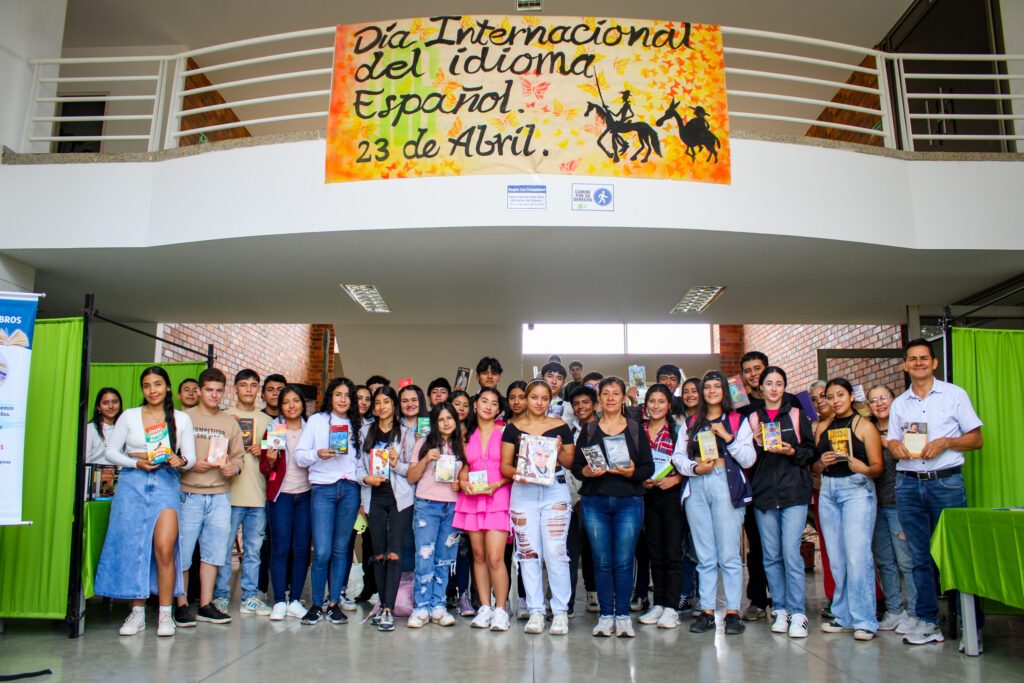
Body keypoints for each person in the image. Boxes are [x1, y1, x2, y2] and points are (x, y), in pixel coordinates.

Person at [886, 339, 983, 647]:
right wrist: (894, 446)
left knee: (956, 553)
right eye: (912, 359)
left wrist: (945, 442)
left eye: (924, 358)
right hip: (908, 483)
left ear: (934, 363)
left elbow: (976, 439)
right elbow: (890, 440)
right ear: (905, 365)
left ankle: (970, 623)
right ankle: (928, 621)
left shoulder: (955, 395)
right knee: (919, 556)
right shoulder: (900, 403)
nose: (918, 363)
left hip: (946, 483)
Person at [95, 366, 196, 637]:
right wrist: (136, 462)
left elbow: (191, 458)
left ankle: (165, 614)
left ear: (167, 387)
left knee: (164, 548)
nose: (152, 390)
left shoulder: (181, 419)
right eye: (147, 385)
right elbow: (110, 452)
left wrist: (181, 460)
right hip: (132, 483)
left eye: (158, 384)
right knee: (135, 547)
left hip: (165, 483)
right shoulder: (128, 416)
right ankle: (137, 613)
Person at [671, 370, 755, 636]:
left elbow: (749, 459)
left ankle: (732, 612)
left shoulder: (737, 420)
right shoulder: (692, 422)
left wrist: (727, 437)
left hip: (725, 484)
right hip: (697, 485)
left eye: (717, 386)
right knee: (705, 554)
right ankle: (706, 610)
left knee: (729, 554)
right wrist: (695, 468)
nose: (711, 391)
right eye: (707, 387)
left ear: (725, 392)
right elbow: (678, 457)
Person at [573, 376, 654, 638]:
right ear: (600, 399)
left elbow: (647, 468)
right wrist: (586, 470)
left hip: (628, 501)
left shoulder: (634, 428)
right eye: (605, 393)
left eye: (615, 393)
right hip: (594, 501)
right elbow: (576, 466)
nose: (609, 397)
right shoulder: (588, 430)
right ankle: (606, 615)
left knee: (623, 560)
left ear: (622, 398)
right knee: (601, 560)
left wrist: (631, 473)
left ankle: (623, 617)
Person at [501, 379, 576, 636]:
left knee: (556, 552)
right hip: (523, 492)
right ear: (525, 399)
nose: (539, 403)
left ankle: (560, 612)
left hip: (554, 490)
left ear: (550, 400)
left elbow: (568, 461)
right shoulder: (512, 429)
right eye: (534, 397)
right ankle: (535, 610)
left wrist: (557, 449)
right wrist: (518, 475)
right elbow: (505, 467)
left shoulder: (560, 427)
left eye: (545, 398)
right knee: (528, 552)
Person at [747, 367, 817, 639]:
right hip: (764, 493)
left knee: (791, 552)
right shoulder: (753, 418)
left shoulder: (797, 415)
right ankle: (780, 608)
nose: (774, 388)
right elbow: (745, 459)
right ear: (761, 388)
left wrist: (793, 451)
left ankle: (798, 612)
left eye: (779, 383)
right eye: (769, 383)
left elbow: (810, 451)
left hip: (794, 492)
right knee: (771, 555)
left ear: (784, 387)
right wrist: (752, 444)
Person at [812, 378, 883, 641]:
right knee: (837, 559)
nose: (835, 401)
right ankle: (843, 616)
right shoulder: (824, 428)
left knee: (857, 556)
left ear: (851, 396)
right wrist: (821, 462)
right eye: (830, 397)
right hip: (829, 490)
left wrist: (862, 468)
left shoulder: (864, 426)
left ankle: (865, 620)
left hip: (856, 490)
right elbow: (814, 469)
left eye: (840, 395)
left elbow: (877, 468)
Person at [176, 368, 245, 628]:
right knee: (183, 554)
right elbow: (171, 455)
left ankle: (205, 605)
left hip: (219, 496)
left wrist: (233, 468)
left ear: (224, 392)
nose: (214, 395)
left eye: (218, 391)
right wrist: (190, 465)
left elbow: (239, 457)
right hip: (188, 493)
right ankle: (181, 605)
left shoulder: (229, 423)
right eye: (209, 390)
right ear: (199, 391)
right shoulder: (184, 418)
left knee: (213, 553)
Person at [294, 377, 363, 626]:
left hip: (350, 490)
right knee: (321, 551)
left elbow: (362, 463)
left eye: (347, 395)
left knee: (340, 550)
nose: (343, 399)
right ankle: (316, 603)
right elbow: (300, 456)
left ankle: (334, 603)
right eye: (338, 394)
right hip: (323, 489)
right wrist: (317, 454)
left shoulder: (359, 424)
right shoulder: (317, 421)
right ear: (330, 397)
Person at [214, 369, 273, 617]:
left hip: (258, 495)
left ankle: (250, 596)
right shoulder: (223, 416)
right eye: (243, 385)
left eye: (253, 385)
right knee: (223, 548)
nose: (248, 390)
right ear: (235, 389)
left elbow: (276, 461)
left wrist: (267, 449)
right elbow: (213, 453)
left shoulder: (269, 421)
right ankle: (220, 595)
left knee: (253, 549)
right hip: (228, 494)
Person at [454, 387, 512, 631]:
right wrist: (464, 481)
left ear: (499, 409)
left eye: (494, 403)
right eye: (484, 401)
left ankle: (501, 609)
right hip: (473, 500)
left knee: (495, 557)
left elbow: (514, 469)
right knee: (477, 556)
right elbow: (467, 465)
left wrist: (497, 484)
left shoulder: (506, 432)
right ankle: (485, 607)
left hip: (498, 497)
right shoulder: (466, 435)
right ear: (475, 404)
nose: (488, 406)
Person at [357, 386, 414, 632]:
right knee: (378, 554)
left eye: (387, 402)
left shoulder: (407, 433)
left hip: (399, 498)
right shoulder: (364, 432)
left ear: (394, 406)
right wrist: (365, 479)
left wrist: (395, 463)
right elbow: (357, 467)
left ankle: (389, 609)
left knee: (394, 553)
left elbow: (411, 471)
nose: (382, 407)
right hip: (374, 497)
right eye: (378, 403)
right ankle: (382, 604)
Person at [406, 402, 465, 628]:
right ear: (435, 422)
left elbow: (467, 475)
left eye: (450, 418)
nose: (446, 423)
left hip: (452, 507)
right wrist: (426, 459)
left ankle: (438, 605)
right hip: (427, 505)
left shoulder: (461, 446)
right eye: (441, 419)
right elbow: (411, 477)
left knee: (445, 558)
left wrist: (461, 483)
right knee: (424, 556)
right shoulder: (423, 443)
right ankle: (421, 607)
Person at [866, 385, 917, 634]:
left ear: (894, 400)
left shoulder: (906, 426)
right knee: (885, 560)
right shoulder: (867, 429)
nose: (879, 403)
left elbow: (915, 455)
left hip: (900, 504)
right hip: (874, 503)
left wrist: (887, 442)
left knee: (907, 560)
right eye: (873, 400)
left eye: (884, 397)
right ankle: (895, 609)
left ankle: (917, 612)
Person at [260, 384, 311, 621]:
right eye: (286, 402)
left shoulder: (312, 429)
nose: (291, 406)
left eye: (295, 401)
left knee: (301, 550)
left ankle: (296, 601)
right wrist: (270, 460)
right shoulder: (273, 429)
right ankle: (279, 600)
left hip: (307, 496)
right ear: (280, 406)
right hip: (281, 496)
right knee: (280, 549)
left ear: (303, 404)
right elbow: (263, 467)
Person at [637, 384, 685, 630]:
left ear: (669, 405)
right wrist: (638, 478)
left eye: (661, 401)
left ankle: (672, 607)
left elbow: (689, 463)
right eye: (652, 401)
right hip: (647, 495)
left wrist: (675, 479)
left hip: (671, 494)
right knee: (654, 551)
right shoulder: (638, 430)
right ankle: (659, 603)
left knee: (672, 551)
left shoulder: (678, 431)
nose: (656, 406)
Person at [736, 351, 771, 621]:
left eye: (757, 368)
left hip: (782, 483)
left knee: (782, 546)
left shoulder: (787, 403)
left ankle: (786, 602)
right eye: (747, 370)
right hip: (750, 483)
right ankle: (758, 600)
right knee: (757, 545)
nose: (753, 374)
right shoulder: (739, 409)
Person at [569, 385, 599, 614]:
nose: (581, 407)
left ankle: (594, 593)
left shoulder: (603, 429)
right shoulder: (566, 430)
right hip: (569, 498)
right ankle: (566, 600)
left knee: (594, 550)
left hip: (595, 496)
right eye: (576, 404)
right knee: (570, 551)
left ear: (594, 405)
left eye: (585, 403)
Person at [87, 387, 123, 464]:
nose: (111, 406)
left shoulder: (124, 428)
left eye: (114, 402)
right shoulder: (90, 429)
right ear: (98, 407)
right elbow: (85, 461)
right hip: (95, 474)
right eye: (105, 403)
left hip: (121, 475)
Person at [541, 361, 578, 430]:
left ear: (563, 383)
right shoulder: (531, 405)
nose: (554, 381)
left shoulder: (569, 408)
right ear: (542, 379)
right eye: (550, 376)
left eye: (559, 378)